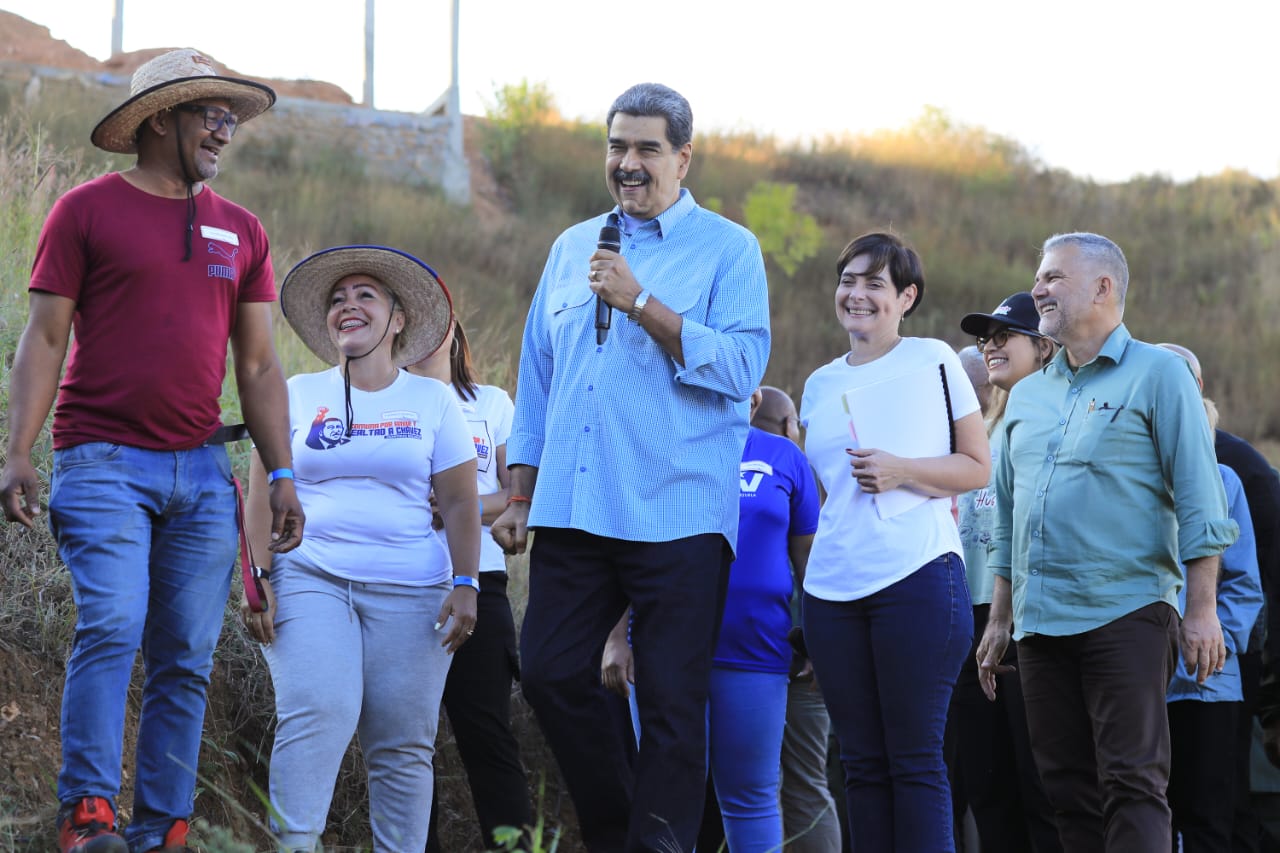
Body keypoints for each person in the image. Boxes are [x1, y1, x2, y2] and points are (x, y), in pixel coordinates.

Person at [0, 48, 304, 853]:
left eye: (232, 117)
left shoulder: (243, 229)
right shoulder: (85, 211)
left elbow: (259, 366)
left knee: (187, 655)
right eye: (212, 113)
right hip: (102, 460)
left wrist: (281, 471)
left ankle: (163, 825)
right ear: (160, 117)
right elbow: (44, 337)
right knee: (112, 621)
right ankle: (87, 816)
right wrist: (18, 450)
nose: (226, 130)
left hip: (203, 472)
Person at [491, 82, 771, 853]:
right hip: (575, 505)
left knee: (674, 703)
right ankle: (623, 832)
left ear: (683, 158)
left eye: (647, 148)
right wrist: (520, 490)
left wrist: (642, 300)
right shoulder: (571, 246)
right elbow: (537, 374)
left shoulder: (729, 249)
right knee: (548, 670)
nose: (628, 163)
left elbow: (741, 366)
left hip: (677, 511)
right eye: (617, 146)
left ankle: (659, 843)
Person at [976, 232, 1238, 853]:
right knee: (1066, 789)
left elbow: (1202, 500)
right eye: (1039, 276)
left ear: (1103, 287)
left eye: (1053, 277)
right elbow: (1008, 514)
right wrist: (1000, 616)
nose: (1038, 288)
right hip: (1039, 624)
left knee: (1132, 782)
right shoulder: (1027, 395)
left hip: (1127, 611)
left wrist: (1202, 610)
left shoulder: (1160, 374)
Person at [239, 245, 479, 853]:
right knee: (319, 709)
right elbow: (261, 487)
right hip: (311, 575)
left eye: (365, 295)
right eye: (337, 299)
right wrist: (257, 574)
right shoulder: (295, 392)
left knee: (403, 743)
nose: (348, 305)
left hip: (414, 591)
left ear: (397, 319)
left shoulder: (433, 402)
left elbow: (459, 501)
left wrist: (467, 582)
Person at [799, 231, 990, 852]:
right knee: (859, 764)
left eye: (874, 283)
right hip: (832, 591)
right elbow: (827, 496)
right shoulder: (818, 384)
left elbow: (976, 467)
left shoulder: (934, 360)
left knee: (914, 760)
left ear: (906, 298)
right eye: (847, 281)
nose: (856, 294)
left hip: (917, 577)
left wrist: (902, 470)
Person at [603, 386, 818, 852]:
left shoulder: (784, 456)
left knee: (751, 797)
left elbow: (809, 561)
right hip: (663, 647)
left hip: (755, 649)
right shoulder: (655, 449)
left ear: (752, 397)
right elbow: (627, 550)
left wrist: (821, 640)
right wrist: (617, 637)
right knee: (664, 793)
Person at [407, 318, 533, 851]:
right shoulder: (385, 400)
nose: (426, 333)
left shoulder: (492, 403)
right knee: (408, 742)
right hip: (403, 583)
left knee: (486, 735)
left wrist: (461, 506)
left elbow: (517, 494)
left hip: (482, 580)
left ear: (455, 333)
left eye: (437, 321)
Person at [1158, 341, 1280, 852]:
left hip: (1207, 682)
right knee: (1147, 812)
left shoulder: (1229, 474)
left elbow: (1246, 584)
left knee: (1210, 816)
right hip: (1137, 683)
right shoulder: (1125, 474)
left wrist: (1210, 649)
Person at [951, 293, 1062, 853]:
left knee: (1040, 784)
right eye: (984, 339)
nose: (989, 347)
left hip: (1027, 617)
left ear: (1044, 347)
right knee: (986, 783)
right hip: (969, 618)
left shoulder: (1062, 416)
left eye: (1004, 336)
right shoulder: (983, 429)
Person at [757, 386, 845, 853]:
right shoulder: (802, 470)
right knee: (807, 783)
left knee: (756, 786)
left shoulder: (726, 465)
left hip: (749, 649)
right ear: (790, 426)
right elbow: (816, 564)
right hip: (802, 651)